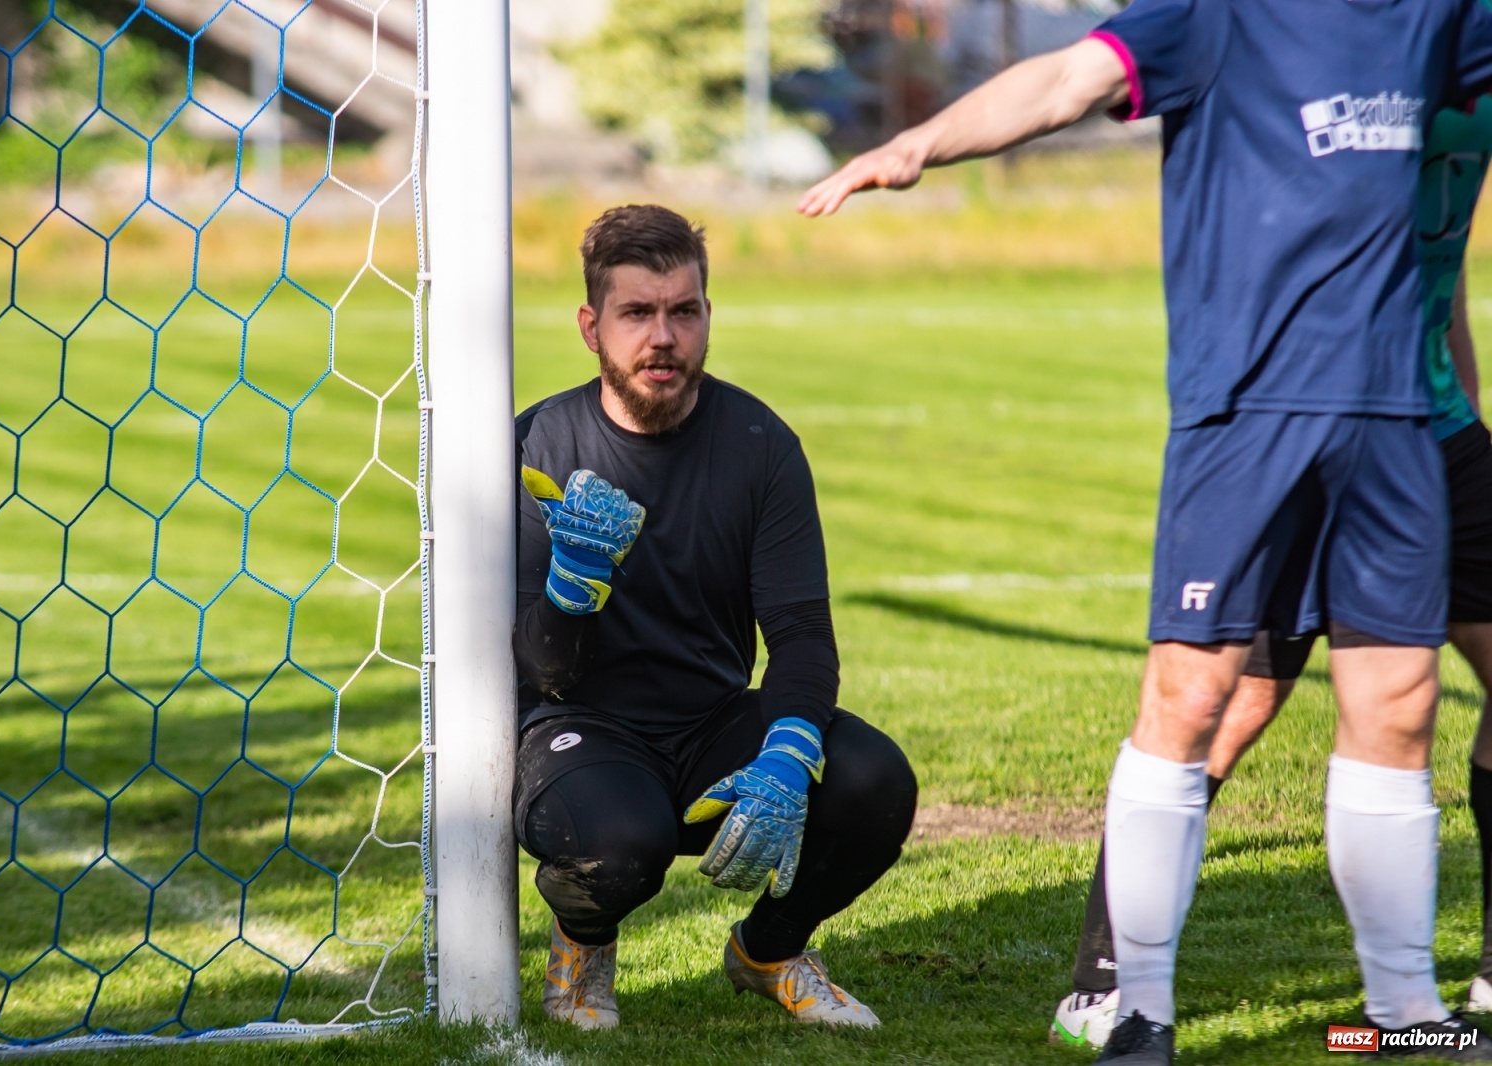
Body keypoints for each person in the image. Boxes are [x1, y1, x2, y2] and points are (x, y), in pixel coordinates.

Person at [799, 1, 1492, 1061]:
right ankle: (1135, 1012)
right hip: (1246, 416)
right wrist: (917, 144)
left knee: (1397, 709)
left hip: (1397, 418)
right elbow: (1063, 81)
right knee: (1193, 695)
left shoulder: (1434, 17)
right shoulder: (1219, 17)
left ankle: (1405, 1018)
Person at [1052, 98, 1492, 1049]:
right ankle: (1108, 984)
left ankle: (1473, 986)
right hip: (1300, 431)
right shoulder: (1347, 80)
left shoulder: (1471, 67)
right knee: (1228, 704)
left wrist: (1466, 415)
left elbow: (1442, 275)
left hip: (1437, 436)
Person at [512, 204, 918, 1032]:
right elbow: (536, 673)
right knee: (624, 846)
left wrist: (789, 751)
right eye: (637, 313)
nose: (662, 337)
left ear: (706, 318)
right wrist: (572, 590)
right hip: (580, 726)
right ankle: (582, 941)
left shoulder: (760, 444)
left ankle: (768, 951)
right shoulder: (537, 445)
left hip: (709, 720)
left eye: (683, 311)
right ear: (592, 327)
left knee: (876, 782)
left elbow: (802, 634)